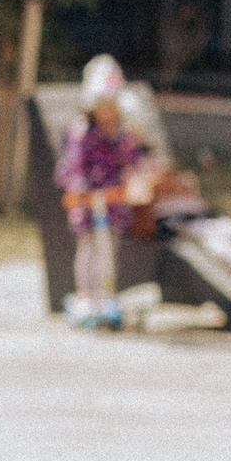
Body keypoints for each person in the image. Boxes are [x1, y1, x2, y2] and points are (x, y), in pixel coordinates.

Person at [55, 52, 161, 327]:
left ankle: (105, 294)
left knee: (108, 248)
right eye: (103, 107)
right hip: (87, 201)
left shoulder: (121, 135)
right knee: (88, 247)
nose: (108, 114)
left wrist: (139, 168)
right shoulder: (82, 133)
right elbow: (75, 164)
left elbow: (132, 158)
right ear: (92, 107)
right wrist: (78, 187)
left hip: (112, 202)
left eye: (113, 108)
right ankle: (85, 293)